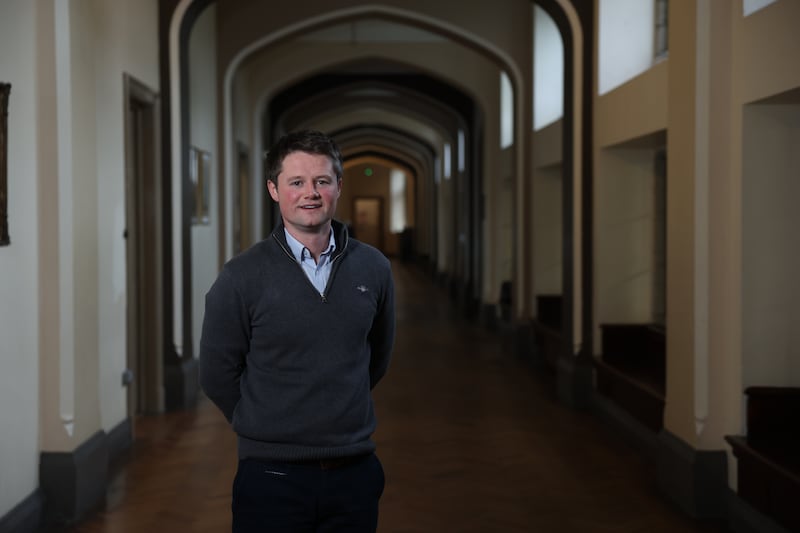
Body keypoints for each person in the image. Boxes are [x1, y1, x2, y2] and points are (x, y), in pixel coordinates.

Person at [199, 129, 396, 532]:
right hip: (271, 475)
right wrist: (261, 421)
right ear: (274, 189)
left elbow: (377, 356)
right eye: (296, 182)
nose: (311, 193)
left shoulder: (374, 268)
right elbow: (217, 371)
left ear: (339, 186)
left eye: (322, 181)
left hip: (353, 471)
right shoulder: (242, 275)